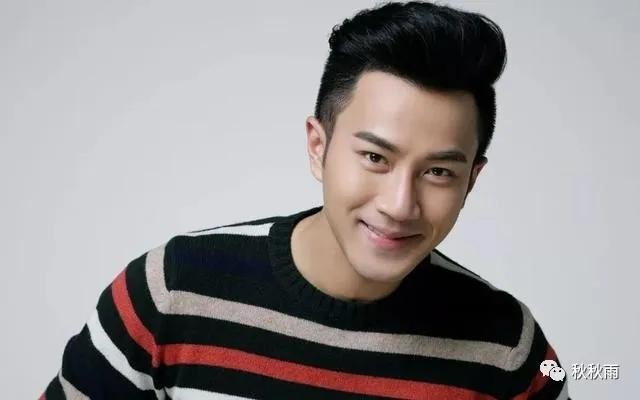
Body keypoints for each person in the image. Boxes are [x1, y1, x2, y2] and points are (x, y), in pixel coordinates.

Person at [42, 1, 570, 399]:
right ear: (319, 147)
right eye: (375, 158)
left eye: (438, 172)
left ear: (471, 181)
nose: (399, 204)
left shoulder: (508, 348)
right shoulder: (172, 291)